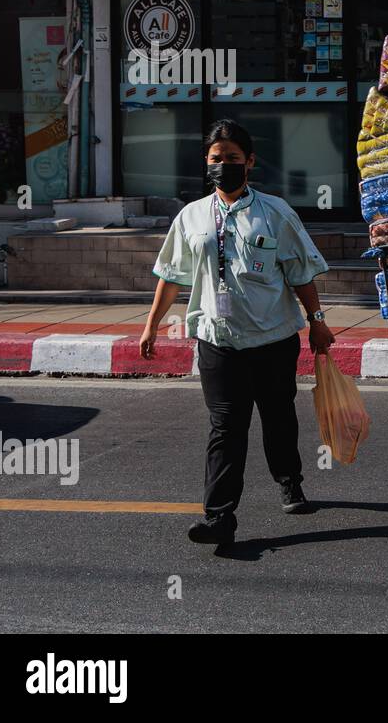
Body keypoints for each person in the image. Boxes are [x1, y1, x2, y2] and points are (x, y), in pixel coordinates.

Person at [140, 119, 335, 545]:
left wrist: (317, 322)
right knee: (226, 427)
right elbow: (171, 275)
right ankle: (219, 517)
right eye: (215, 159)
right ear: (206, 165)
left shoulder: (276, 212)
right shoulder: (191, 217)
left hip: (273, 338)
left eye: (231, 158)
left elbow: (300, 273)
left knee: (278, 416)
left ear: (250, 162)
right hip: (218, 339)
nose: (223, 165)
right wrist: (152, 324)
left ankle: (288, 479)